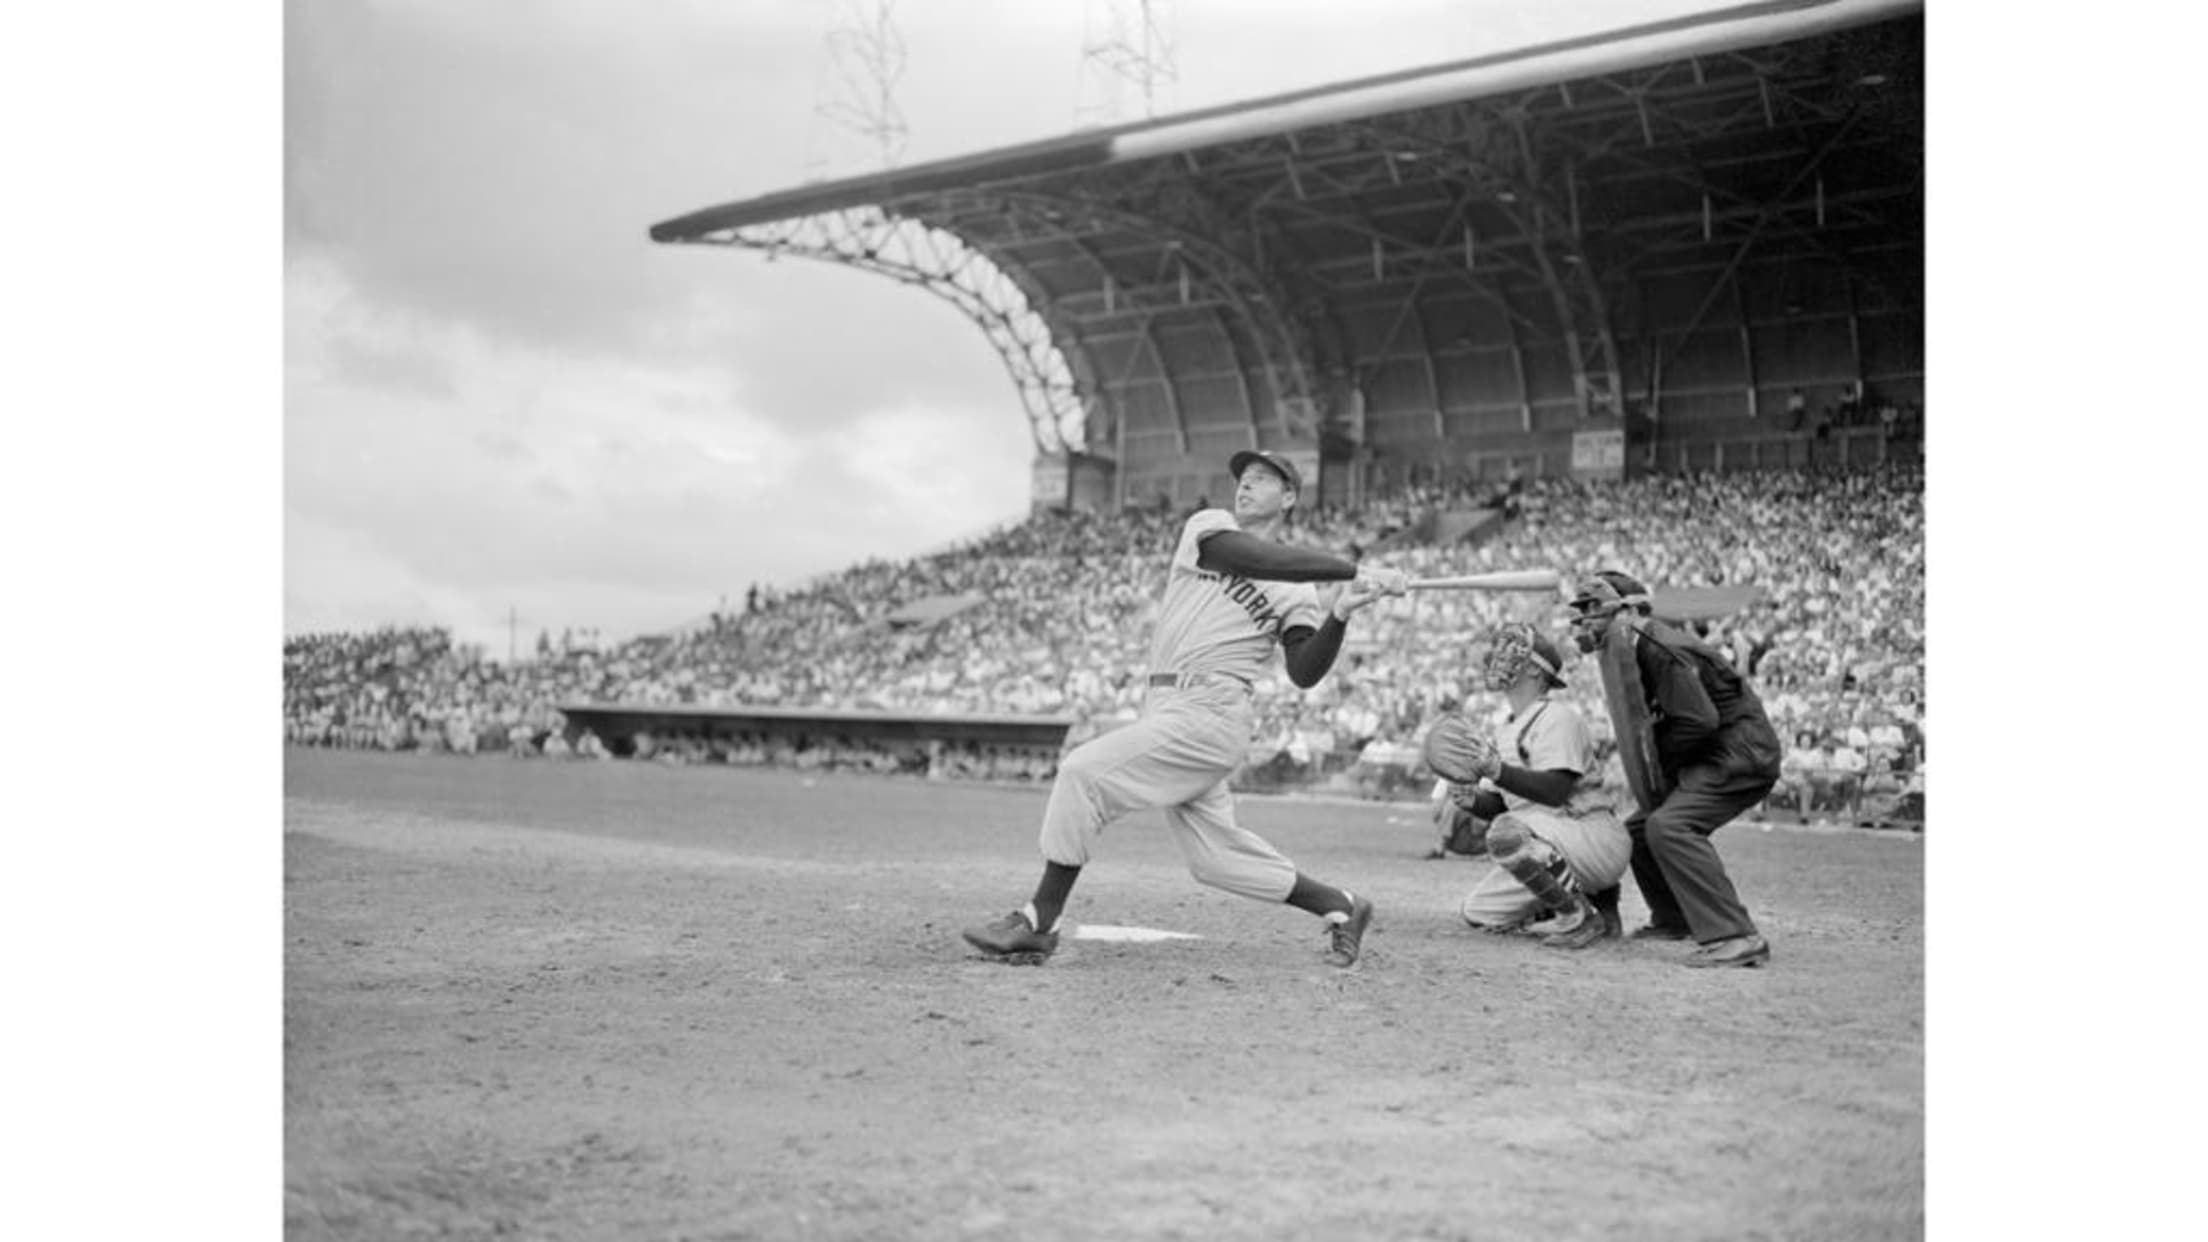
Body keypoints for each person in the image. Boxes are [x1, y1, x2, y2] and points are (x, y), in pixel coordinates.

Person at [962, 449, 1409, 968]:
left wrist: (1340, 615)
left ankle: (1039, 922)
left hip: (1211, 711)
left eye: (1262, 479)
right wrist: (1353, 569)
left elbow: (1304, 670)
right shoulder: (1211, 527)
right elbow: (1253, 558)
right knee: (1215, 860)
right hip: (1169, 706)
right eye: (1242, 477)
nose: (1245, 485)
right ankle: (1343, 907)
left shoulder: (1299, 592)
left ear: (1288, 496)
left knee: (1082, 774)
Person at [1568, 571, 1783, 968]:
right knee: (1637, 832)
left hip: (1739, 754)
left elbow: (1698, 721)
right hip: (1716, 752)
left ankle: (1736, 935)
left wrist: (1667, 767)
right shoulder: (1634, 646)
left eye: (1594, 608)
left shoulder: (1657, 646)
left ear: (1629, 609)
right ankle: (1674, 917)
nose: (1585, 619)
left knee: (1670, 826)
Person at [1426, 623, 1630, 950]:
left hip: (1592, 835)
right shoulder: (1507, 728)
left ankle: (1578, 914)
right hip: (1549, 839)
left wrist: (1496, 770)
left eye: (1513, 653)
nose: (1499, 659)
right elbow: (1508, 805)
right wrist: (1472, 800)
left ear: (1536, 671)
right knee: (1478, 912)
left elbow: (1555, 792)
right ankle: (1585, 910)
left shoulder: (1557, 716)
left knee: (1507, 834)